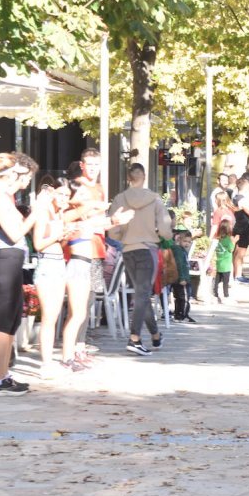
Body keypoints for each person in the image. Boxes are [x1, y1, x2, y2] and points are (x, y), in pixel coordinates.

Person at [0, 152, 42, 395]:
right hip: (5, 260)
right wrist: (37, 212)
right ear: (14, 174)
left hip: (12, 260)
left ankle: (4, 375)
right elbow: (16, 234)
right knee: (4, 321)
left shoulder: (4, 198)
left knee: (13, 319)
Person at [108, 163, 170, 357]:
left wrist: (124, 237)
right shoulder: (155, 200)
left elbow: (113, 229)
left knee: (140, 293)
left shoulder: (119, 199)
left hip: (128, 250)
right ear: (144, 177)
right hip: (147, 249)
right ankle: (134, 337)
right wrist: (161, 235)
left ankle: (155, 334)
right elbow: (166, 229)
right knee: (143, 294)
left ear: (128, 178)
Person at [31, 176, 80, 376]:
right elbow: (38, 244)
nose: (63, 199)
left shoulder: (59, 215)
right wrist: (58, 235)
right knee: (49, 317)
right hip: (46, 265)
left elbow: (58, 245)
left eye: (67, 196)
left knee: (55, 314)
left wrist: (66, 237)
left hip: (59, 263)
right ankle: (46, 363)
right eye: (60, 194)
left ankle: (49, 360)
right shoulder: (43, 213)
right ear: (52, 192)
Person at [64, 150, 110, 362]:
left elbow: (100, 219)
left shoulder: (99, 188)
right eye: (89, 164)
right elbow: (68, 215)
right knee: (80, 302)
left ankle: (80, 344)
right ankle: (74, 348)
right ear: (82, 165)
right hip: (80, 246)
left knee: (90, 298)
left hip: (97, 245)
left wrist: (113, 221)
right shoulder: (77, 186)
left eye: (96, 165)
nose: (93, 168)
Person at [232, 173, 249, 284]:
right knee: (240, 252)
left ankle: (236, 273)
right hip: (242, 226)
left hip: (238, 225)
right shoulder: (243, 197)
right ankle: (237, 275)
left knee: (237, 252)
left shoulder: (236, 196)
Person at [170, 231, 195, 322]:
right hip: (182, 279)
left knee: (179, 298)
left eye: (189, 242)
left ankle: (178, 314)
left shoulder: (181, 250)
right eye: (185, 241)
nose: (187, 244)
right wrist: (182, 278)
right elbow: (179, 265)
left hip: (180, 278)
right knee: (184, 298)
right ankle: (182, 315)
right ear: (179, 240)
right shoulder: (178, 251)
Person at [209, 219, 235, 303]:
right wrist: (234, 241)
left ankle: (215, 295)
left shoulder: (217, 239)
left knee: (216, 281)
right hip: (226, 264)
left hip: (218, 262)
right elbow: (231, 249)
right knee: (225, 282)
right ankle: (226, 296)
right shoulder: (228, 239)